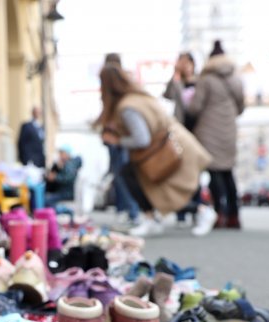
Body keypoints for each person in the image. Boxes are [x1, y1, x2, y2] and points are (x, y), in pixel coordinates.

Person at [97, 64, 211, 238]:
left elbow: (142, 139)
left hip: (167, 150)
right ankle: (153, 218)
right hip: (172, 144)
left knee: (168, 191)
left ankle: (203, 212)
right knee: (161, 188)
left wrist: (118, 140)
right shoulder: (137, 96)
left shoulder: (127, 107)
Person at [188, 40, 245, 229]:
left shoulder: (205, 79)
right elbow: (241, 106)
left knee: (214, 174)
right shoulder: (236, 79)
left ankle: (219, 213)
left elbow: (196, 107)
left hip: (208, 131)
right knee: (228, 173)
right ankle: (234, 215)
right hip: (229, 130)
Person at [164, 52, 217, 236]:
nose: (185, 66)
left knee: (194, 174)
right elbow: (168, 95)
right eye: (182, 62)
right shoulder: (177, 81)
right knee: (179, 173)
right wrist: (176, 76)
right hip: (180, 131)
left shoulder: (200, 81)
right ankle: (181, 213)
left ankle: (197, 210)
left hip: (198, 132)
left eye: (188, 63)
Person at [102, 53, 139, 225]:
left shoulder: (116, 84)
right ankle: (129, 210)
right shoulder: (125, 83)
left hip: (120, 138)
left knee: (122, 174)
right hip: (118, 137)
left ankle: (133, 211)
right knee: (121, 175)